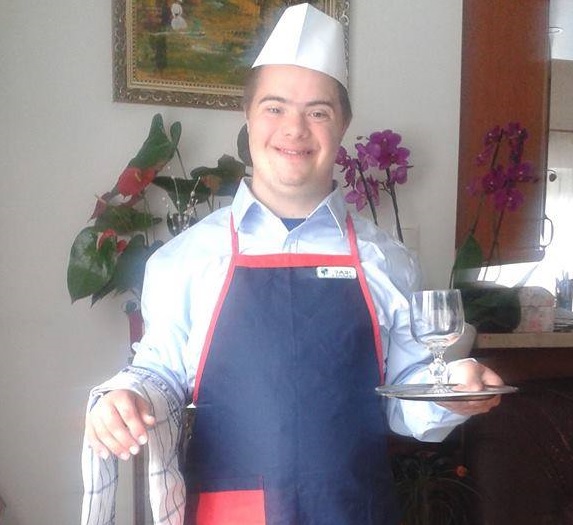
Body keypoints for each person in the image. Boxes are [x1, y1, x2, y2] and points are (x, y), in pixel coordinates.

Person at [83, 4, 503, 524]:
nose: (295, 129)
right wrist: (124, 396)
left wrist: (450, 394)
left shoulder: (387, 261)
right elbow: (160, 374)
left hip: (354, 512)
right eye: (275, 107)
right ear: (247, 116)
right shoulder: (183, 260)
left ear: (343, 124)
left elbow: (406, 399)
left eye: (318, 111)